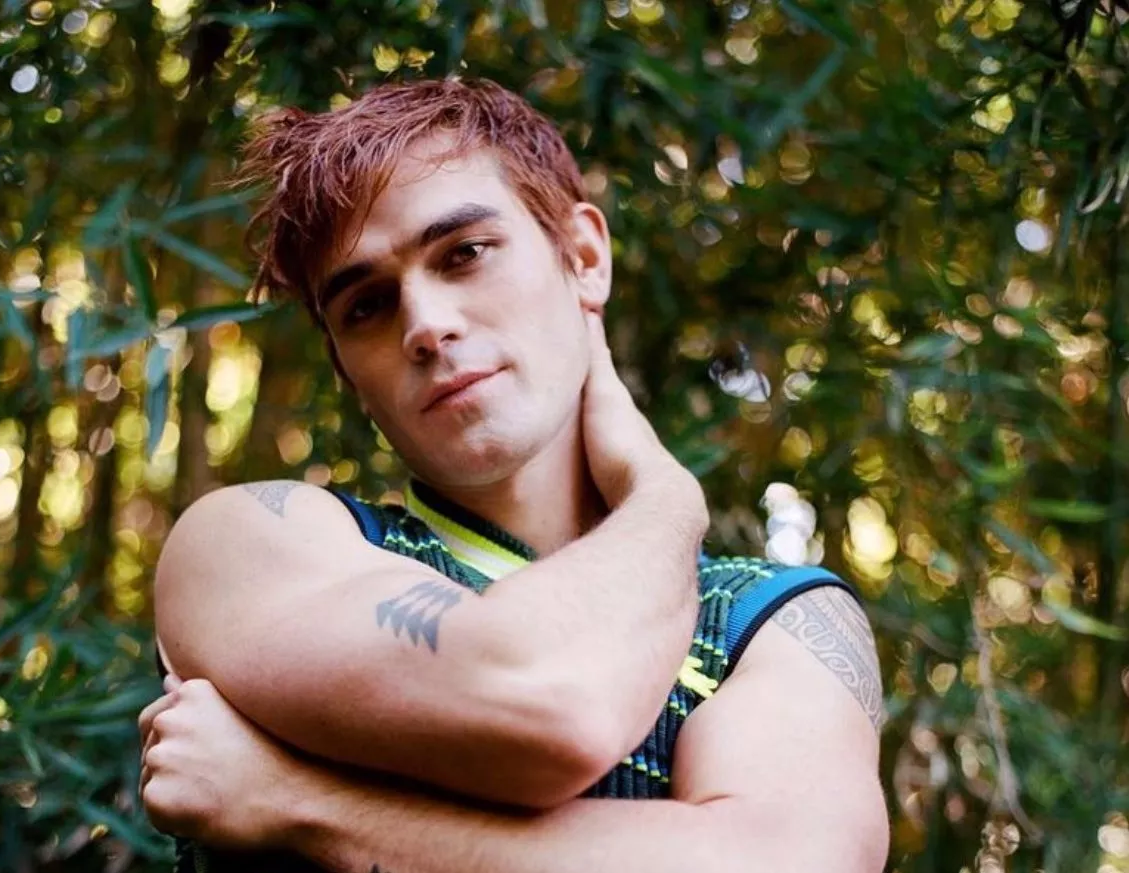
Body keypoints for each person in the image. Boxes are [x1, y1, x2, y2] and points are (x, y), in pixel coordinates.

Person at [137, 77, 889, 873]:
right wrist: (666, 498)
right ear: (347, 372)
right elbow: (548, 695)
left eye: (463, 254)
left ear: (583, 257)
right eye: (366, 306)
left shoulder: (767, 619)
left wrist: (303, 802)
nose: (425, 325)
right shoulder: (251, 542)